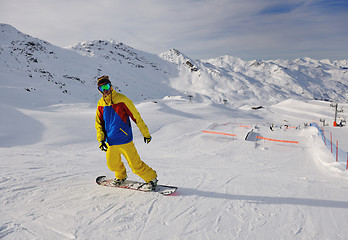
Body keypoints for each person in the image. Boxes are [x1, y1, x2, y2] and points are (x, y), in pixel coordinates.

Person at [95, 75, 158, 190]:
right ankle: (120, 177)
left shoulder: (122, 99)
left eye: (107, 86)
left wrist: (146, 133)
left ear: (111, 86)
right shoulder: (100, 104)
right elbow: (99, 123)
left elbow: (136, 117)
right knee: (112, 164)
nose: (105, 90)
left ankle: (151, 178)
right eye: (102, 88)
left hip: (125, 139)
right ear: (99, 90)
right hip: (111, 141)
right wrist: (101, 139)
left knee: (135, 165)